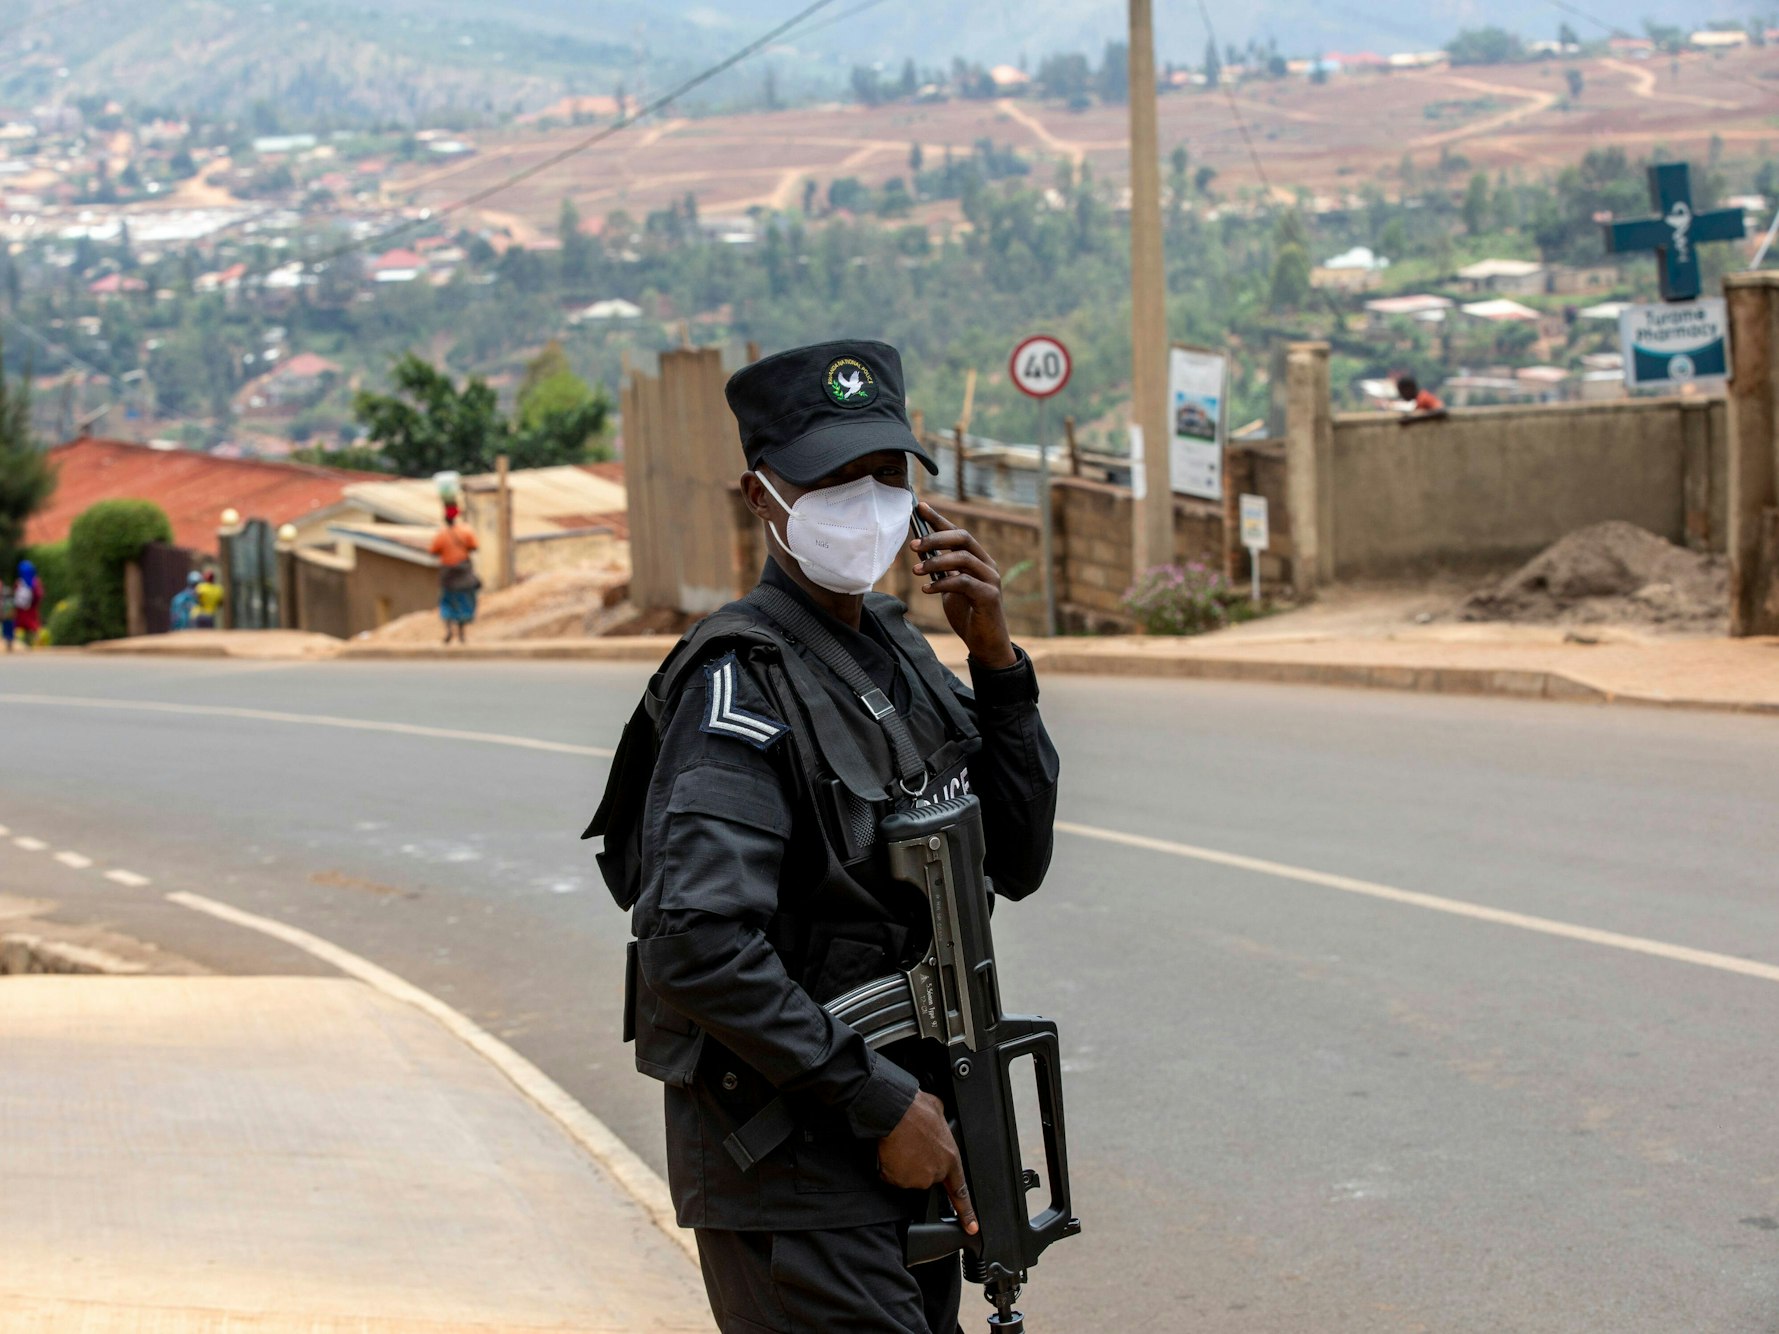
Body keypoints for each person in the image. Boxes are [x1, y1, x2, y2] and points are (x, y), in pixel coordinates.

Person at [588, 340, 1060, 1332]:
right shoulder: (737, 686)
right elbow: (693, 941)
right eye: (832, 479)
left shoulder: (896, 647)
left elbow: (1017, 860)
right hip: (798, 1172)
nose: (866, 502)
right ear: (760, 496)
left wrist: (996, 663)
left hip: (908, 1147)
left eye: (886, 475)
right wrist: (874, 1097)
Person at [429, 503, 480, 644]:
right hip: (463, 571)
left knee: (447, 601)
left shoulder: (441, 535)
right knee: (464, 600)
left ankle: (449, 630)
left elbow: (433, 550)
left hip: (448, 573)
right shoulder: (466, 531)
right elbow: (474, 546)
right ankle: (461, 634)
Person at [11, 558, 43, 649]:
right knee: (30, 626)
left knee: (28, 625)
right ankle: (22, 642)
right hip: (28, 609)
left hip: (26, 609)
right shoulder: (34, 582)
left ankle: (32, 642)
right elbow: (39, 595)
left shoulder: (20, 582)